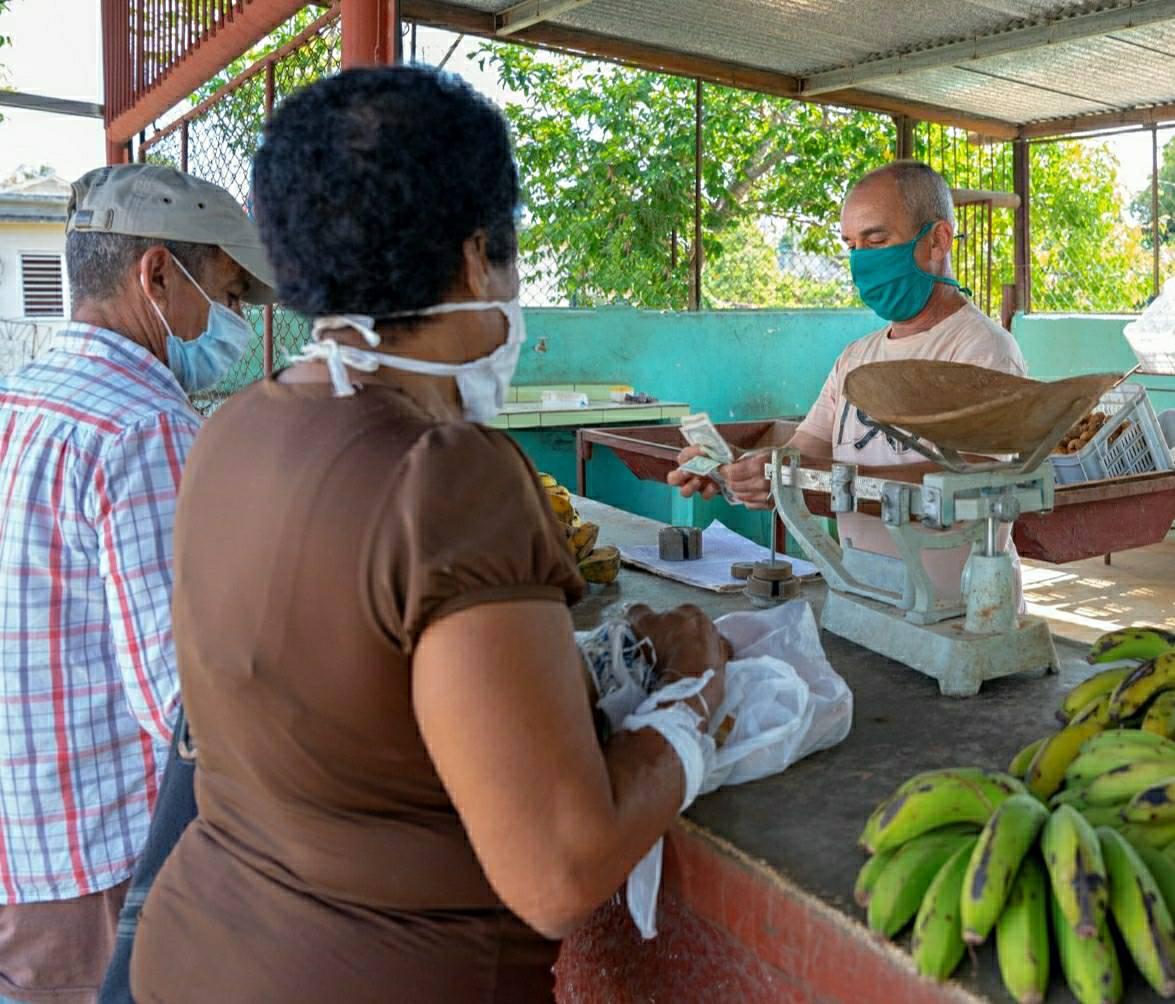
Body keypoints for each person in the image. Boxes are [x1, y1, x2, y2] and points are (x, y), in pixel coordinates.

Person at [129, 66, 728, 1004]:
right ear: (474, 255)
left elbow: (358, 683)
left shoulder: (233, 429)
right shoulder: (447, 471)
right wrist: (689, 706)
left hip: (194, 954)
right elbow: (559, 872)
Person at [0, 164, 274, 1004]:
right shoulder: (145, 427)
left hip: (21, 837)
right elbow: (182, 703)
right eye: (225, 293)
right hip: (91, 854)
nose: (229, 324)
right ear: (156, 273)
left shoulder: (20, 398)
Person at [670, 160, 1027, 606]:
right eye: (851, 245)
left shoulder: (984, 350)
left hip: (960, 610)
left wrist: (809, 475)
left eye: (877, 241)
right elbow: (806, 453)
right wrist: (743, 470)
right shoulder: (855, 358)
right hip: (864, 594)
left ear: (937, 239)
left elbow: (976, 480)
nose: (861, 261)